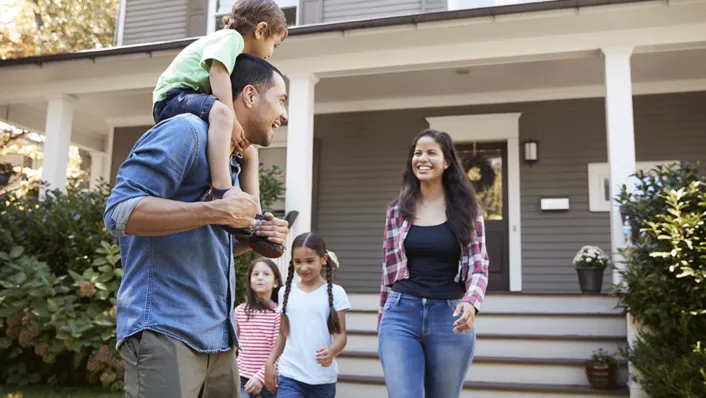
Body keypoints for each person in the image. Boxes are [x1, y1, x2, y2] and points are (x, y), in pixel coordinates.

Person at [104, 53, 289, 398]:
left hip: (219, 339)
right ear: (250, 96)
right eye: (280, 100)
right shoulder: (186, 131)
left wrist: (254, 237)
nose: (285, 114)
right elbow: (119, 213)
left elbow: (204, 239)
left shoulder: (231, 161)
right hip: (167, 330)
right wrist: (216, 211)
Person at [151, 0, 288, 237]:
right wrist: (231, 118)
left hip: (188, 98)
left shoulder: (231, 48)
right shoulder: (230, 39)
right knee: (222, 113)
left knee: (249, 151)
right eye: (273, 44)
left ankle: (254, 217)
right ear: (261, 30)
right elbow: (217, 73)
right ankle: (222, 189)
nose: (270, 54)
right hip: (174, 96)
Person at [377, 129, 490, 398]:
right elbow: (388, 271)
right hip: (401, 313)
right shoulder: (397, 211)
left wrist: (472, 302)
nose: (422, 158)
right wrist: (383, 319)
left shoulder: (467, 211)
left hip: (449, 317)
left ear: (447, 161)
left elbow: (478, 263)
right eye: (417, 153)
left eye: (431, 153)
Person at [263, 232, 350, 398]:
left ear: (323, 259)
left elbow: (341, 336)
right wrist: (269, 363)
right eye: (298, 262)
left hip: (322, 379)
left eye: (310, 261)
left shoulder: (337, 293)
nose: (303, 268)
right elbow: (282, 334)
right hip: (290, 375)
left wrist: (332, 351)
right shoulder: (284, 292)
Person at [235, 258, 283, 398]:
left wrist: (260, 377)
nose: (260, 278)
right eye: (255, 274)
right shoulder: (239, 311)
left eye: (266, 274)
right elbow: (233, 346)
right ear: (250, 281)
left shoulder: (279, 313)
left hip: (270, 378)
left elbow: (280, 352)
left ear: (275, 282)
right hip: (243, 379)